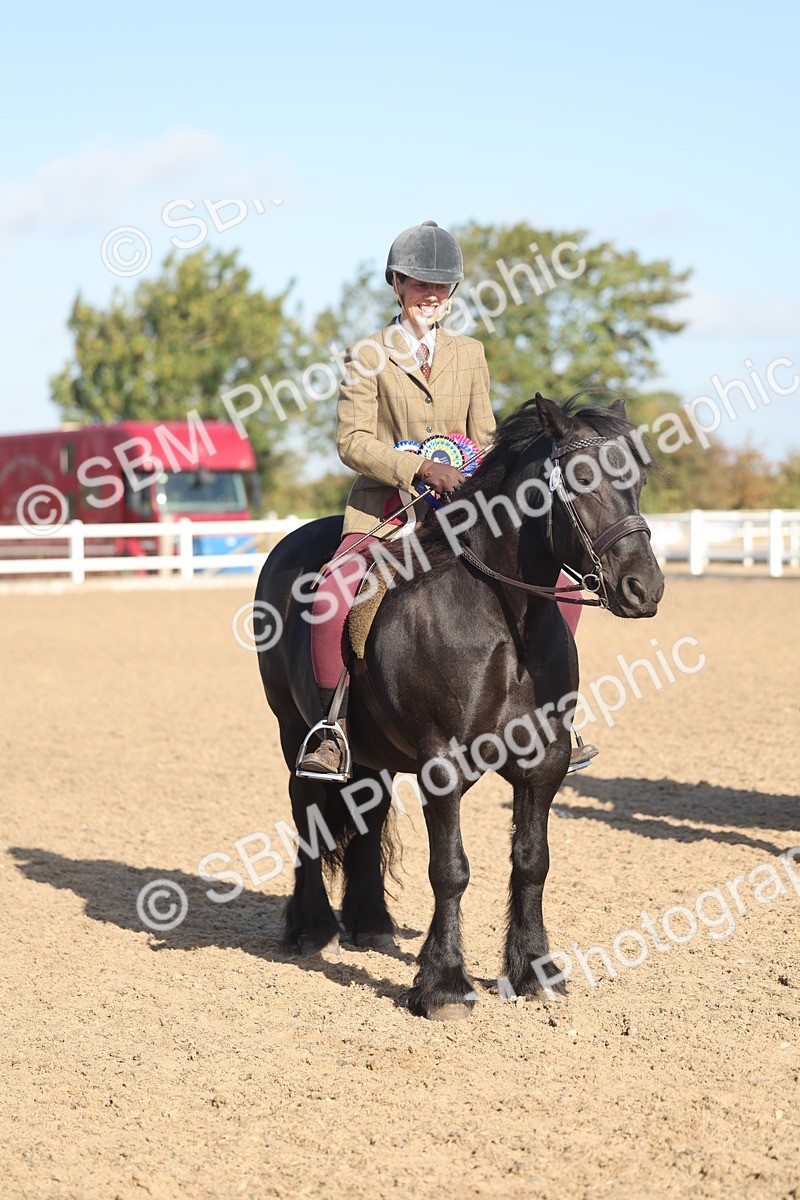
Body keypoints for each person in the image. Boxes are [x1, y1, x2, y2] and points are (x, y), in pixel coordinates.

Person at [298, 220, 596, 777]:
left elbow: (484, 436)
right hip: (387, 509)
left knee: (561, 588)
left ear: (453, 292)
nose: (430, 295)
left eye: (441, 286)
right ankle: (332, 726)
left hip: (465, 510)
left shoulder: (470, 354)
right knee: (333, 594)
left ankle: (554, 717)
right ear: (396, 284)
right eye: (418, 283)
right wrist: (420, 467)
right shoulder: (367, 354)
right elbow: (353, 441)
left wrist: (481, 472)